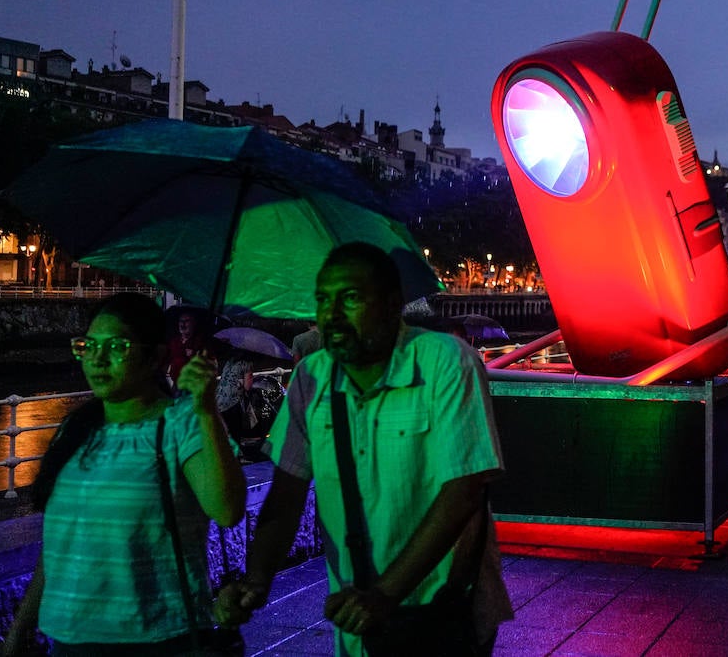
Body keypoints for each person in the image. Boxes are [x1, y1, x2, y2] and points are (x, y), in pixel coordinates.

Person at [216, 243, 511, 655]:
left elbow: (464, 490)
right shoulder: (311, 379)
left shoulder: (445, 361)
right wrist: (257, 579)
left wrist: (386, 594)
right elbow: (286, 494)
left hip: (443, 608)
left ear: (392, 305)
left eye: (350, 298)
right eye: (323, 300)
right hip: (357, 615)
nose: (331, 315)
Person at [2, 294, 246, 656]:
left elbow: (227, 509)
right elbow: (60, 545)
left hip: (156, 639)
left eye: (117, 346)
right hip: (68, 641)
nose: (98, 359)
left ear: (155, 357)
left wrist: (206, 410)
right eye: (88, 346)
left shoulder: (182, 423)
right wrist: (21, 628)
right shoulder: (77, 428)